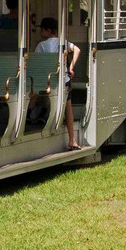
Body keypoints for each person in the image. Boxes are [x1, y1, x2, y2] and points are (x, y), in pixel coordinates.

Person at [33, 16, 81, 150]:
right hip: (63, 80)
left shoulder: (41, 45)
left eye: (42, 30)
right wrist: (71, 67)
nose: (40, 33)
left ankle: (32, 118)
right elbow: (77, 50)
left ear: (47, 31)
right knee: (68, 108)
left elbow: (36, 62)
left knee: (34, 93)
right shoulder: (62, 42)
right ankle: (72, 139)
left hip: (47, 80)